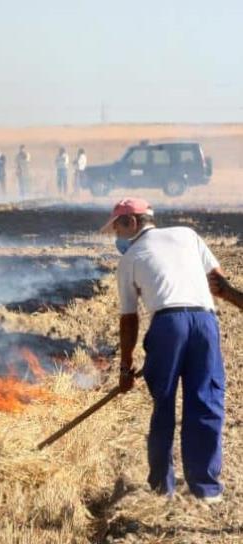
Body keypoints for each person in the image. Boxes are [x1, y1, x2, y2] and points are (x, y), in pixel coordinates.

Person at [106, 197, 226, 502]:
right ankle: (206, 489)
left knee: (164, 404)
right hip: (204, 322)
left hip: (168, 325)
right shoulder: (188, 235)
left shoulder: (129, 258)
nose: (116, 236)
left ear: (132, 222)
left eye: (117, 228)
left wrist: (125, 368)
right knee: (206, 400)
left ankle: (163, 487)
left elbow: (129, 319)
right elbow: (220, 285)